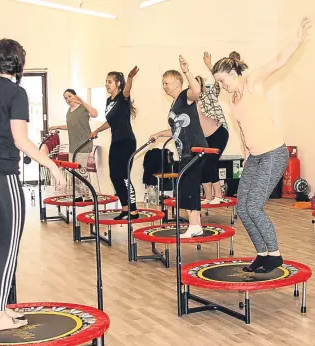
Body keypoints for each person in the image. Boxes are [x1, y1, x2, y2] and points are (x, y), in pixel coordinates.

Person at [0, 39, 65, 331]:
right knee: (9, 246)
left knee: (3, 244)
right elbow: (21, 140)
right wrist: (51, 164)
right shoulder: (16, 92)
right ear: (18, 63)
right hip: (1, 177)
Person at [212, 17, 311, 273]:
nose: (221, 87)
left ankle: (275, 255)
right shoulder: (234, 98)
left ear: (234, 74)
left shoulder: (252, 83)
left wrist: (297, 41)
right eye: (219, 83)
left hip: (273, 154)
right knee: (242, 208)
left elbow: (278, 62)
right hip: (255, 157)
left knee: (254, 206)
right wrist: (245, 152)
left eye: (223, 81)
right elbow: (244, 127)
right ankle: (262, 253)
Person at [150, 56, 208, 238]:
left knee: (188, 184)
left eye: (167, 83)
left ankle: (194, 225)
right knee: (186, 184)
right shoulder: (174, 105)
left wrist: (186, 70)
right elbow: (176, 129)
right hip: (185, 151)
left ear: (177, 83)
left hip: (196, 149)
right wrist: (159, 133)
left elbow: (197, 91)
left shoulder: (185, 97)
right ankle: (195, 224)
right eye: (163, 83)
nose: (164, 86)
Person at [90, 67, 140, 220]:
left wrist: (130, 78)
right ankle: (125, 209)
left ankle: (133, 210)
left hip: (127, 141)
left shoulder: (122, 97)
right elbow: (110, 122)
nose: (107, 84)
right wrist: (97, 129)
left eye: (109, 82)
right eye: (106, 82)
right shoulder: (108, 101)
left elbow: (127, 90)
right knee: (114, 176)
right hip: (116, 142)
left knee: (124, 176)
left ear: (118, 83)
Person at [49, 89, 98, 201]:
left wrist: (82, 101)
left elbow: (95, 114)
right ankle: (79, 195)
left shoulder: (83, 108)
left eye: (69, 96)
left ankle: (89, 196)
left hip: (84, 144)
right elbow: (70, 126)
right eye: (65, 98)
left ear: (75, 96)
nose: (68, 99)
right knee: (73, 172)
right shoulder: (69, 111)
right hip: (73, 145)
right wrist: (57, 126)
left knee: (82, 171)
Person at [195, 51, 230, 204]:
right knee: (202, 165)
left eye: (197, 84)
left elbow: (217, 83)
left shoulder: (209, 94)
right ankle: (208, 196)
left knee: (211, 163)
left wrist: (209, 64)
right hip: (206, 136)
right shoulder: (192, 101)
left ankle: (219, 196)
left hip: (219, 132)